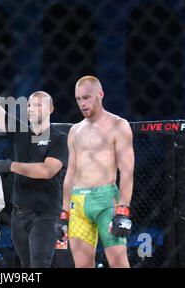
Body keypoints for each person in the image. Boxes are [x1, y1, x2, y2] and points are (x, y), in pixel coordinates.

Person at [0, 45, 68, 268]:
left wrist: (11, 165)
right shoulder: (20, 130)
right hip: (19, 214)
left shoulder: (59, 138)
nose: (33, 108)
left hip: (45, 215)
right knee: (25, 266)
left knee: (39, 265)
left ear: (51, 109)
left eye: (39, 104)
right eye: (30, 104)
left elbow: (47, 171)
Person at [61, 75, 134, 268]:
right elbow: (71, 173)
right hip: (78, 203)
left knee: (119, 263)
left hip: (106, 202)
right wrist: (64, 212)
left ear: (100, 94)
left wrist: (123, 211)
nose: (82, 103)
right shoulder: (75, 131)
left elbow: (126, 172)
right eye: (78, 99)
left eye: (86, 97)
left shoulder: (119, 125)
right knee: (82, 266)